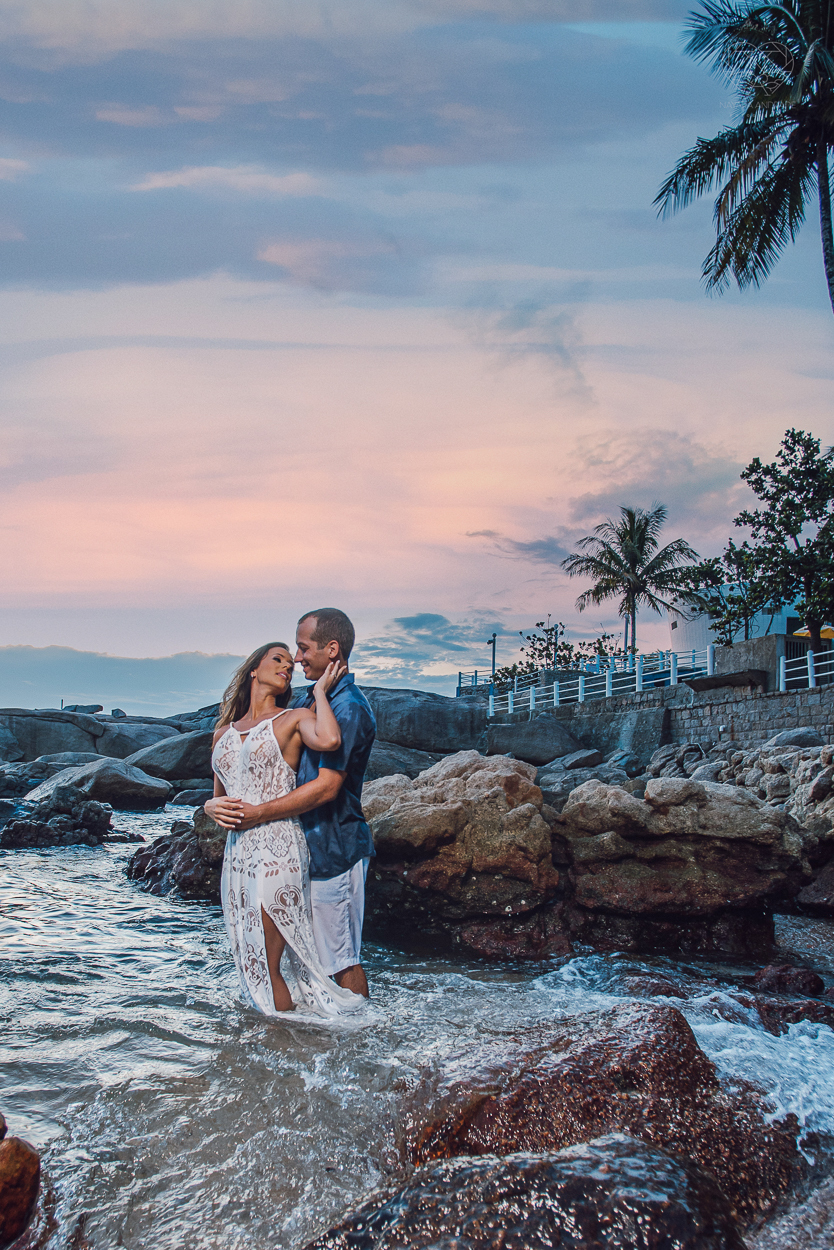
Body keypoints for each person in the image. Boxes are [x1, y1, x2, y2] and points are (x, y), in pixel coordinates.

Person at [210, 610, 376, 998]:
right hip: (297, 849)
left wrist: (258, 815)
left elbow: (326, 788)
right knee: (307, 962)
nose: (296, 659)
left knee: (340, 959)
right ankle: (313, 1042)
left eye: (302, 649)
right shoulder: (307, 700)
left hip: (334, 849)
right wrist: (211, 807)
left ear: (331, 649)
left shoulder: (348, 707)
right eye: (287, 655)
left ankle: (365, 1039)